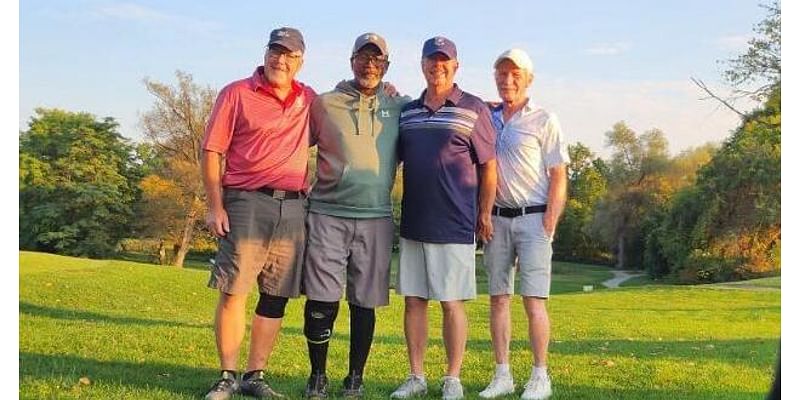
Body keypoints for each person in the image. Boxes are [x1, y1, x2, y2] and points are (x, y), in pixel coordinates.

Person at [201, 26, 315, 400]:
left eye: (289, 54)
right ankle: (227, 375)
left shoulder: (308, 99)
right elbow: (212, 150)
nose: (280, 60)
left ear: (300, 61)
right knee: (234, 290)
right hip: (246, 201)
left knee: (276, 295)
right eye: (275, 51)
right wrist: (215, 205)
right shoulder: (237, 93)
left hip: (294, 206)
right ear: (265, 53)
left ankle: (255, 375)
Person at [301, 32, 410, 399]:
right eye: (363, 57)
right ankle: (317, 376)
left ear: (387, 66)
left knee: (364, 302)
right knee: (322, 300)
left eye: (377, 60)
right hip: (327, 214)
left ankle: (355, 380)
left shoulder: (400, 106)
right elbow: (292, 142)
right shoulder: (324, 103)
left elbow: (437, 110)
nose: (369, 65)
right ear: (351, 61)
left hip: (376, 218)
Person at [390, 36, 497, 400]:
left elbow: (489, 165)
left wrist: (484, 212)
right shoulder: (408, 111)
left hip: (455, 222)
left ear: (456, 66)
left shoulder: (474, 109)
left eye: (444, 61)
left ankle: (452, 378)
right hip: (415, 221)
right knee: (414, 300)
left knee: (452, 303)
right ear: (422, 65)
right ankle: (416, 375)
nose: (438, 67)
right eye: (432, 61)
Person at [477, 48, 568, 400]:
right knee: (498, 299)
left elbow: (558, 173)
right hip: (496, 219)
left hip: (534, 219)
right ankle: (503, 375)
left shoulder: (544, 119)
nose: (507, 80)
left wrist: (551, 218)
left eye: (515, 74)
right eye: (501, 73)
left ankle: (540, 376)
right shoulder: (487, 115)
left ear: (528, 79)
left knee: (533, 301)